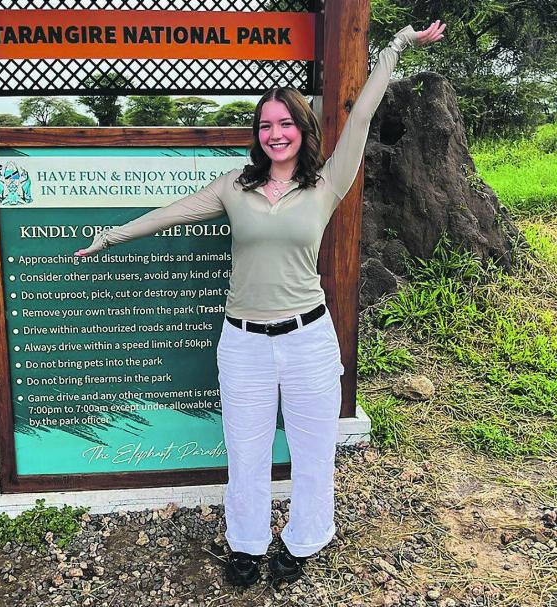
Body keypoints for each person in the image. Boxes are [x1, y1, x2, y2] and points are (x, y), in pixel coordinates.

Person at [76, 20, 446, 587]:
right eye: (266, 125)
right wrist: (112, 235)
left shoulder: (327, 184)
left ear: (302, 128)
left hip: (308, 340)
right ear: (258, 134)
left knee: (312, 451)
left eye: (285, 123)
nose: (276, 133)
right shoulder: (235, 186)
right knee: (245, 453)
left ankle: (302, 542)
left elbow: (363, 117)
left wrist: (395, 47)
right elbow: (176, 211)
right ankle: (246, 545)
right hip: (243, 343)